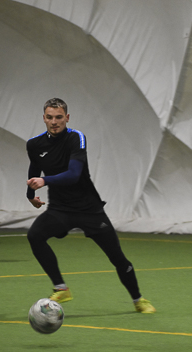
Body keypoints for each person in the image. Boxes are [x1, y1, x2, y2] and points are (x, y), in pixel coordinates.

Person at [26, 98, 155, 313]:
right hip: (59, 209)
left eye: (59, 117)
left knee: (117, 258)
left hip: (89, 210)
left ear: (67, 118)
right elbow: (34, 169)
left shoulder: (76, 138)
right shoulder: (34, 144)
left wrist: (45, 181)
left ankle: (138, 299)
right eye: (50, 117)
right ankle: (61, 288)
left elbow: (74, 174)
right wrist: (30, 194)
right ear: (44, 118)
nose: (54, 122)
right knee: (35, 235)